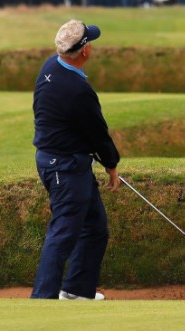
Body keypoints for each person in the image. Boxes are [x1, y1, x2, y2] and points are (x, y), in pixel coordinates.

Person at [31, 20, 121, 301]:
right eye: (89, 41)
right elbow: (97, 133)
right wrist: (111, 163)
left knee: (94, 228)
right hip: (65, 168)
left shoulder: (51, 66)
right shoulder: (78, 90)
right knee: (62, 235)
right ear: (84, 51)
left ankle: (76, 291)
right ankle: (42, 299)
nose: (92, 44)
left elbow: (73, 126)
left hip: (63, 162)